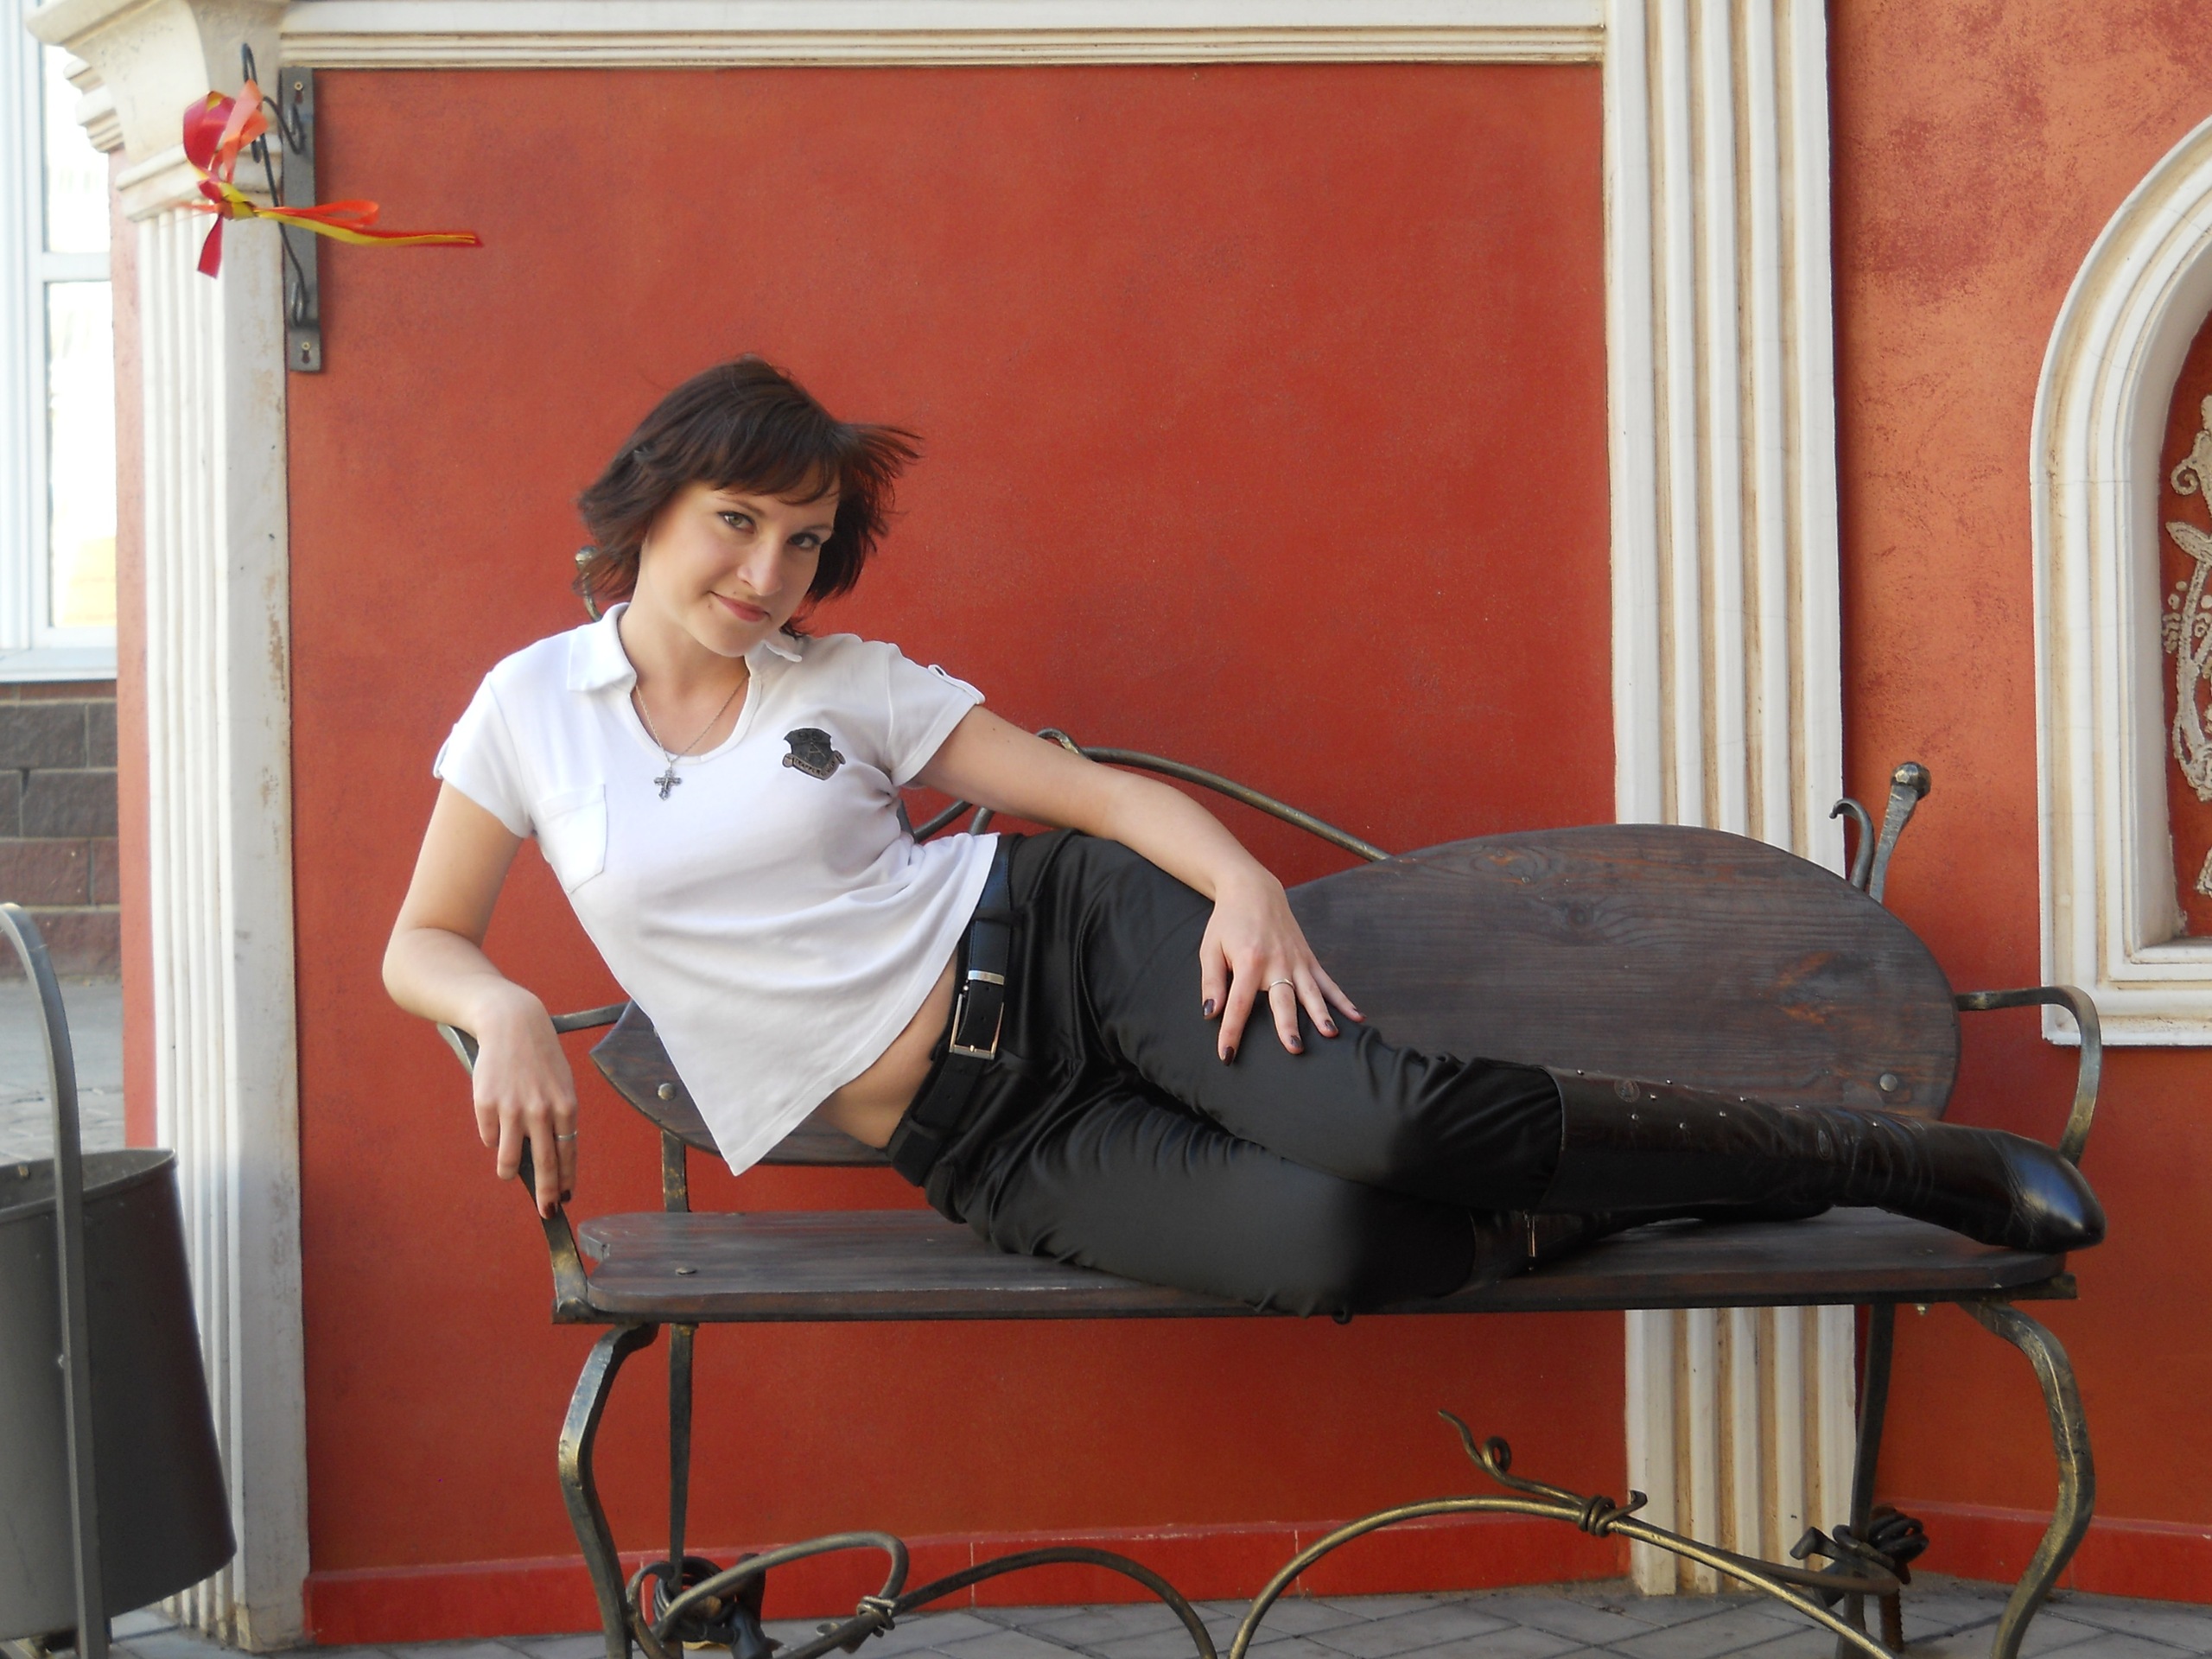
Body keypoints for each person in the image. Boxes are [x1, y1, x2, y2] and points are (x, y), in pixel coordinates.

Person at [383, 357, 2104, 1319]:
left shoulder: (850, 683)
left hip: (1061, 944)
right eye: (736, 525)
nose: (768, 575)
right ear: (650, 508)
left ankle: (1897, 1164)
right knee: (1341, 1248)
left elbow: (1093, 799)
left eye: (805, 542)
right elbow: (422, 941)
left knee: (1389, 1117)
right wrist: (502, 1005)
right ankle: (1586, 1211)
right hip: (987, 1139)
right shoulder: (530, 709)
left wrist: (1238, 882)